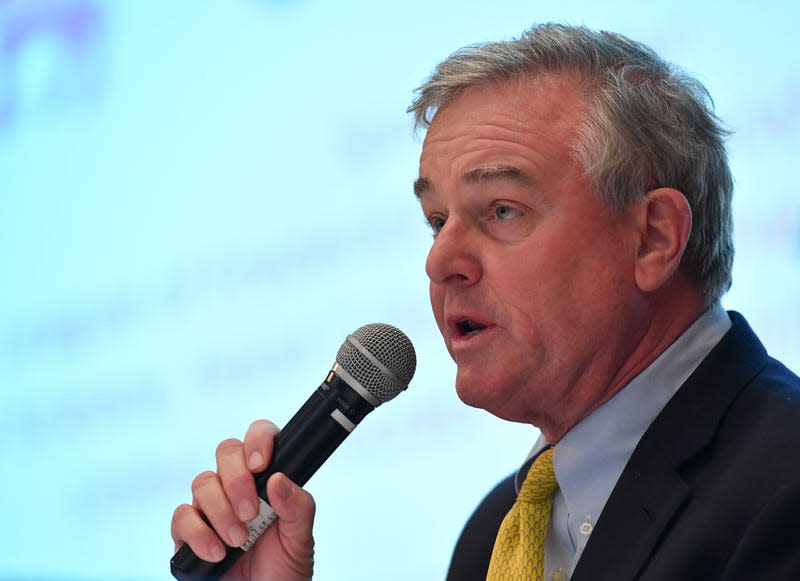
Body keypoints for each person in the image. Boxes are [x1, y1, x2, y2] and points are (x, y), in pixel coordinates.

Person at [170, 23, 800, 580]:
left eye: (501, 210)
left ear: (653, 238)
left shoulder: (784, 485)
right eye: (435, 220)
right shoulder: (491, 539)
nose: (440, 261)